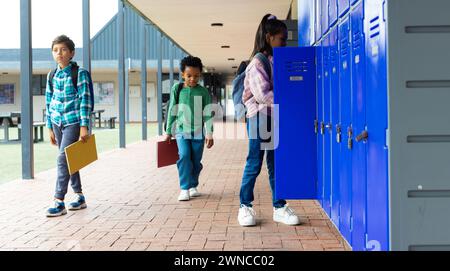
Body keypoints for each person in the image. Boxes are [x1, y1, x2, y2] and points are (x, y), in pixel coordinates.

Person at [237, 14, 301, 226]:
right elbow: (263, 95)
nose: (284, 42)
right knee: (254, 162)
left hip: (274, 116)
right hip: (259, 117)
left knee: (276, 163)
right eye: (282, 38)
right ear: (269, 37)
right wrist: (291, 103)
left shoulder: (277, 59)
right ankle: (245, 207)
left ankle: (279, 206)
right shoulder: (258, 62)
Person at [45, 35, 93, 217]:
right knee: (70, 159)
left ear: (71, 53)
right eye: (56, 50)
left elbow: (85, 101)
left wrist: (84, 126)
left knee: (62, 159)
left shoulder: (79, 74)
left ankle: (59, 201)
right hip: (57, 122)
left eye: (64, 50)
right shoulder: (52, 75)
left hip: (73, 122)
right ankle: (79, 196)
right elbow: (49, 101)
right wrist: (49, 127)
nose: (59, 53)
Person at [164, 56, 214, 201]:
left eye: (196, 76)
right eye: (189, 76)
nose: (193, 79)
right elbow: (172, 110)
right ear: (183, 75)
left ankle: (193, 185)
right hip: (181, 131)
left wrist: (210, 133)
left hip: (198, 133)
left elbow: (208, 114)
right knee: (185, 156)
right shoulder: (177, 89)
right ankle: (184, 188)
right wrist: (168, 132)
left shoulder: (203, 92)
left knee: (196, 161)